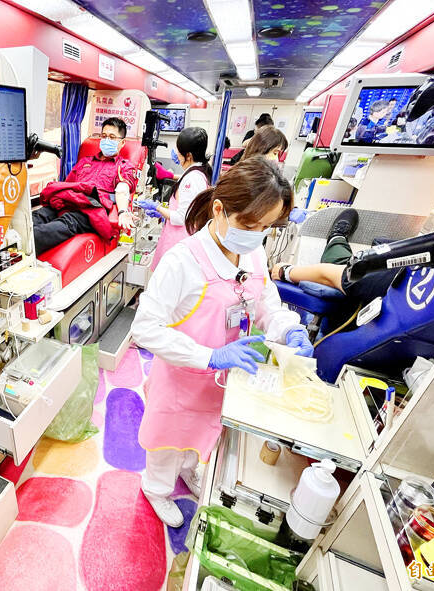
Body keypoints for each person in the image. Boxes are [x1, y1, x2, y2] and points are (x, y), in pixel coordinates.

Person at [133, 157, 314, 527]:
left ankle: (187, 470)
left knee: (199, 435)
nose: (257, 234)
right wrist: (209, 356)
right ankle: (155, 488)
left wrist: (286, 326)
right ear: (218, 208)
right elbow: (146, 329)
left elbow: (265, 303)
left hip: (224, 377)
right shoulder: (182, 261)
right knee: (169, 438)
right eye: (250, 224)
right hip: (184, 377)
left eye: (266, 227)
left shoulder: (253, 252)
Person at [32, 117, 138, 254]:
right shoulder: (85, 162)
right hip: (70, 201)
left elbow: (122, 189)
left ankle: (25, 245)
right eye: (104, 136)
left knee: (67, 222)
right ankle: (11, 239)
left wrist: (123, 212)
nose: (106, 140)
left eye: (112, 137)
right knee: (40, 215)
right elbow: (67, 186)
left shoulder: (124, 167)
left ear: (122, 142)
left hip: (90, 208)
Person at [270, 209, 398, 310]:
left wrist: (285, 272)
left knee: (343, 264)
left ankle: (337, 238)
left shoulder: (387, 280)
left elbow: (327, 274)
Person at [136, 127, 212, 269]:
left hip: (179, 244)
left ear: (188, 155)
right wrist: (163, 213)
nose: (176, 153)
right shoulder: (197, 172)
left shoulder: (192, 179)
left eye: (178, 150)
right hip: (180, 241)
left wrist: (156, 207)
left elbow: (181, 218)